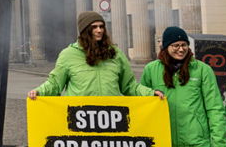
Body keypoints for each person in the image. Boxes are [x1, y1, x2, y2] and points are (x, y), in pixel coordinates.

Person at [28, 12, 161, 99]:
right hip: (80, 119)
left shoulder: (115, 54)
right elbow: (55, 84)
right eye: (94, 27)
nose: (99, 30)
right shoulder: (68, 55)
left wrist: (150, 93)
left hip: (111, 118)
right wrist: (39, 91)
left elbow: (129, 86)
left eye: (101, 26)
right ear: (85, 30)